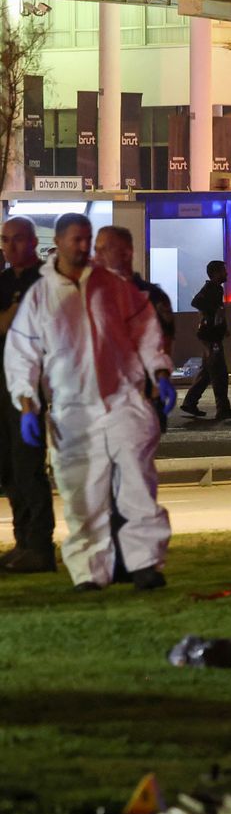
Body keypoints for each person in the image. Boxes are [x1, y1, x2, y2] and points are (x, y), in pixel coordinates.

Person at [4, 212, 174, 591]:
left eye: (89, 239)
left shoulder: (112, 287)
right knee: (83, 495)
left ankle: (145, 563)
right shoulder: (41, 297)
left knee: (137, 483)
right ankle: (89, 572)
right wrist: (27, 403)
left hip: (123, 399)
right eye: (78, 240)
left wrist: (159, 373)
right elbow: (22, 354)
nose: (85, 247)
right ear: (60, 243)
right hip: (72, 411)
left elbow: (145, 329)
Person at [0, 216, 56, 574]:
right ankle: (23, 542)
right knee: (8, 469)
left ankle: (39, 546)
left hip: (29, 388)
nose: (9, 247)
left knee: (28, 465)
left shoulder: (45, 281)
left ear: (33, 241)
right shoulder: (5, 281)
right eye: (5, 240)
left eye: (16, 240)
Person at [95, 226, 175, 430]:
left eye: (106, 249)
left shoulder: (152, 297)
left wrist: (161, 378)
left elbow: (163, 343)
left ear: (127, 253)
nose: (98, 256)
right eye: (97, 249)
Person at [182, 261, 231, 420]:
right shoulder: (210, 289)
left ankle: (190, 402)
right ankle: (223, 409)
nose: (227, 274)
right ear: (215, 273)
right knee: (220, 373)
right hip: (210, 337)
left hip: (213, 335)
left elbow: (218, 312)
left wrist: (223, 326)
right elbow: (197, 302)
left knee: (207, 372)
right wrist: (212, 312)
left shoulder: (217, 289)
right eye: (223, 271)